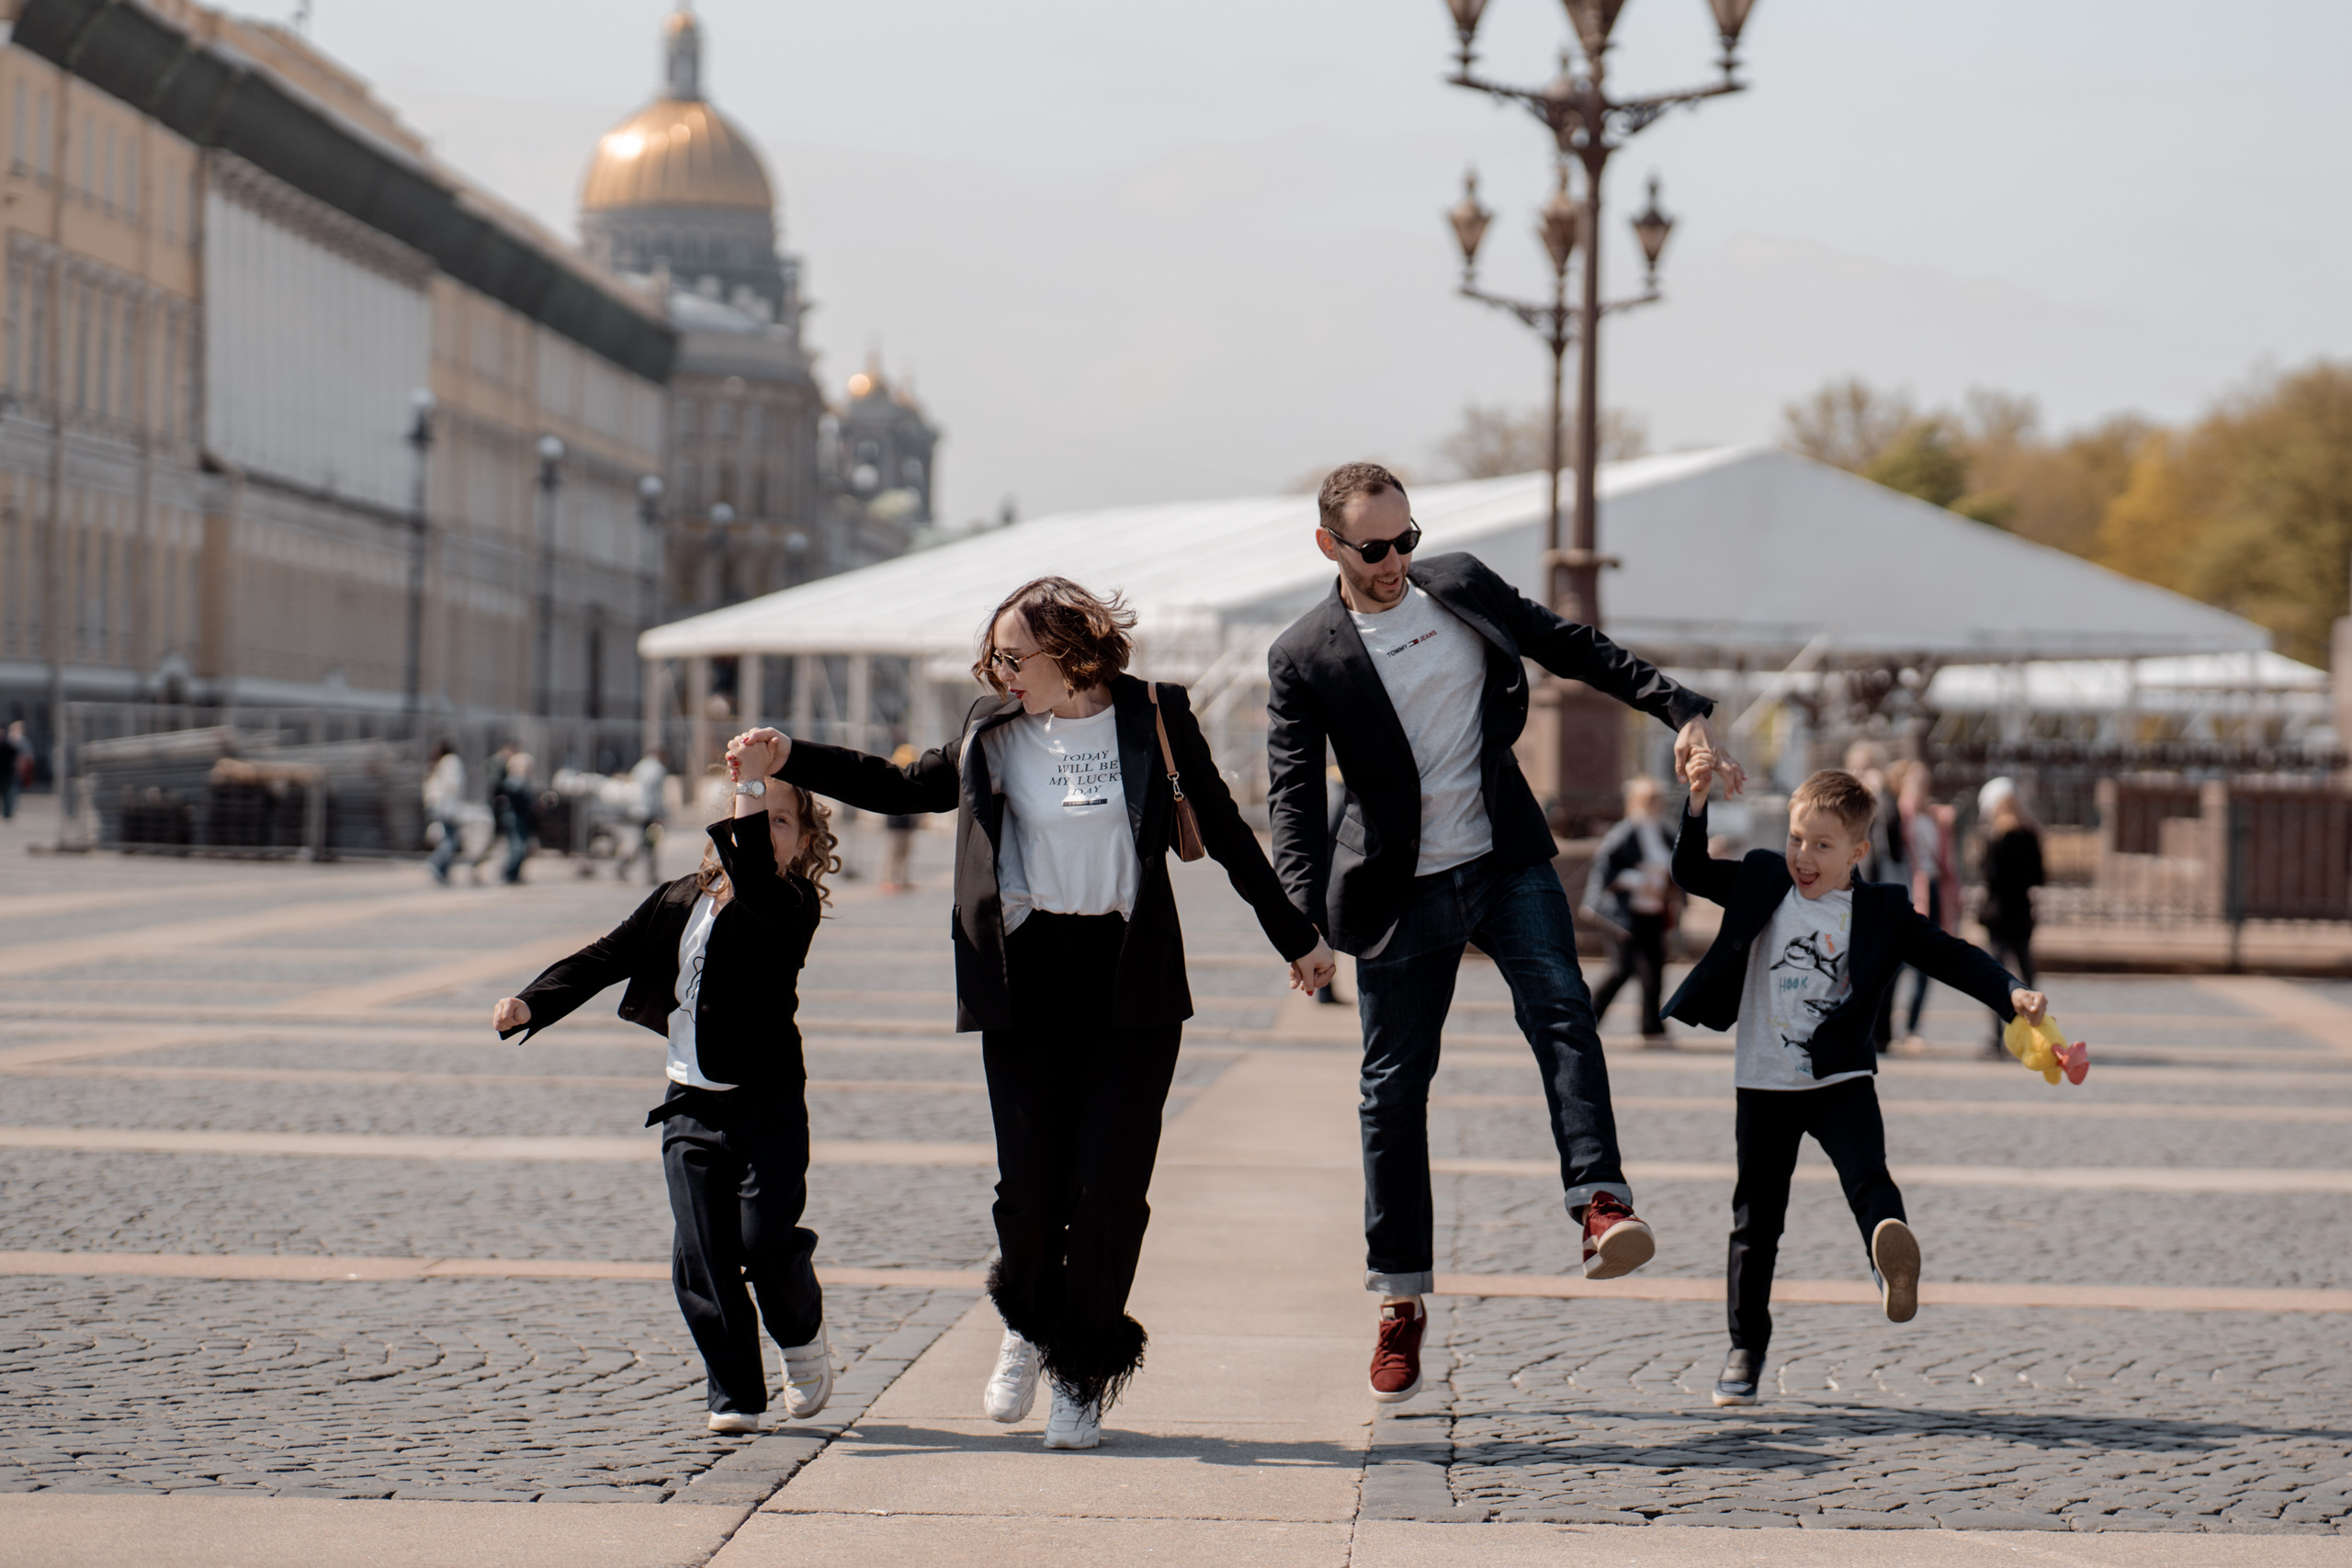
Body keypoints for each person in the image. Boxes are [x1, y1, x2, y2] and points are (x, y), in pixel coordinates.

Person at [752, 576, 1335, 1450]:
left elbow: (1224, 828)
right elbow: (905, 784)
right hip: (1025, 979)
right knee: (1029, 1192)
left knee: (1108, 1192)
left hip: (1128, 979)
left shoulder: (1156, 715)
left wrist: (1297, 936)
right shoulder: (994, 728)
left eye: (1011, 657)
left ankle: (1081, 1372)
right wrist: (791, 753)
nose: (998, 672)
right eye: (992, 657)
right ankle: (1027, 1318)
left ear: (1070, 651)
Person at [1264, 461, 1738, 1405]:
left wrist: (1676, 706)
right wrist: (1298, 926)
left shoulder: (1463, 588)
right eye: (1374, 547)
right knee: (1392, 1093)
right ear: (1330, 547)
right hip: (1399, 891)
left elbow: (1572, 647)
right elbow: (1291, 798)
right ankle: (1399, 1301)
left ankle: (1600, 1204)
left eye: (1407, 538)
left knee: (1564, 1011)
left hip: (1503, 858)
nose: (1396, 559)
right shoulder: (1303, 655)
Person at [1665, 761, 2047, 1410]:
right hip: (1764, 1083)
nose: (1802, 856)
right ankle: (1745, 1348)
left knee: (1870, 1178)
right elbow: (1693, 873)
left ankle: (1889, 1257)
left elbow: (1949, 953)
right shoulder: (1763, 880)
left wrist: (2010, 990)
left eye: (1821, 844)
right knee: (1756, 1222)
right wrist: (1696, 801)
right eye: (1795, 838)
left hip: (1840, 1077)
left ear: (1858, 852)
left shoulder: (1881, 910)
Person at [490, 755, 840, 1433]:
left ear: (804, 841)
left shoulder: (790, 906)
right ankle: (735, 1392)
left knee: (765, 1243)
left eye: (781, 820)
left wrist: (747, 786)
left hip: (765, 1102)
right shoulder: (680, 897)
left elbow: (757, 887)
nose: (766, 830)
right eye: (753, 817)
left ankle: (801, 1336)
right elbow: (607, 954)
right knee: (702, 1252)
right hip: (689, 1102)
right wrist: (531, 1002)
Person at [1583, 776, 1677, 1043]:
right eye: (1651, 800)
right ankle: (1588, 1018)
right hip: (1625, 914)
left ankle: (1651, 1026)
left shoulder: (1664, 831)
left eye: (1658, 800)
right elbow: (1606, 868)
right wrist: (1640, 881)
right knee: (1621, 969)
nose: (1656, 805)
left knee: (1654, 969)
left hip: (1654, 911)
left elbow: (1677, 863)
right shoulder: (1625, 832)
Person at [1976, 777, 2045, 1057]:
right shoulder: (2030, 834)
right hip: (2021, 911)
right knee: (2026, 973)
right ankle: (2032, 1031)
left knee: (1997, 975)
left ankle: (1998, 1036)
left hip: (1999, 912)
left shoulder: (1996, 836)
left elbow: (1990, 876)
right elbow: (2040, 876)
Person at [1893, 761, 1947, 1051]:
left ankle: (1912, 1026)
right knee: (1899, 961)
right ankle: (1889, 1023)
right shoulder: (1901, 817)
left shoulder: (1934, 817)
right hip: (1912, 889)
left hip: (1932, 888)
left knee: (1929, 961)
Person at [616, 747, 670, 885]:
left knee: (639, 840)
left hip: (636, 810)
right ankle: (649, 874)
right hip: (650, 812)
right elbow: (656, 794)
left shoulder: (640, 767)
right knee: (651, 843)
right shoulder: (658, 770)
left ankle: (624, 864)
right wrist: (660, 814)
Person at [422, 739, 466, 884]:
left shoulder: (439, 764)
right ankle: (436, 863)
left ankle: (443, 871)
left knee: (448, 838)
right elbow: (453, 785)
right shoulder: (452, 762)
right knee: (450, 840)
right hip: (448, 807)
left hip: (439, 806)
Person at [493, 751, 537, 886]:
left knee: (519, 846)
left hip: (520, 817)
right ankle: (509, 873)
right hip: (514, 817)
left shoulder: (520, 780)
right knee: (516, 846)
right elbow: (519, 799)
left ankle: (514, 874)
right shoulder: (514, 780)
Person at [882, 743, 920, 890]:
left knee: (905, 852)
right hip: (895, 823)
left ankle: (902, 879)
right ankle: (888, 879)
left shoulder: (912, 781)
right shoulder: (891, 779)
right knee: (893, 852)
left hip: (907, 823)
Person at [0, 719, 22, 820]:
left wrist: (16, 769)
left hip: (7, 773)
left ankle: (7, 813)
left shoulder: (9, 746)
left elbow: (17, 755)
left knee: (7, 795)